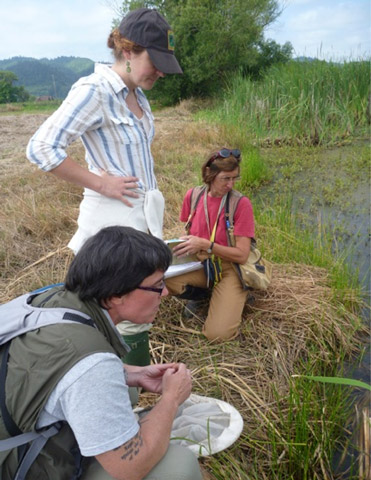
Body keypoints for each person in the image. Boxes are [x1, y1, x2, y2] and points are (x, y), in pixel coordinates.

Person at [26, 8, 183, 365]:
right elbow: (40, 148)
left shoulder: (137, 94)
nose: (159, 71)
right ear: (128, 51)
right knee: (118, 303)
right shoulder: (94, 90)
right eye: (153, 61)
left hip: (140, 216)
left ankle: (132, 379)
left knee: (138, 302)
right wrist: (102, 183)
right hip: (113, 218)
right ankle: (118, 383)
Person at [0, 226, 202, 480]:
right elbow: (131, 468)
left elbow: (56, 371)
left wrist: (135, 374)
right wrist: (171, 399)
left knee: (123, 389)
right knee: (177, 466)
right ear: (116, 293)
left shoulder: (50, 300)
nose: (166, 292)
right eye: (157, 285)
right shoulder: (92, 366)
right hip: (19, 466)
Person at [165, 148, 255, 342]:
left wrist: (207, 245)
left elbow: (242, 255)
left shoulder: (241, 204)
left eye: (235, 178)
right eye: (226, 179)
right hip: (199, 263)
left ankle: (236, 294)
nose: (231, 184)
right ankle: (202, 296)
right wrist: (182, 245)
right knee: (159, 277)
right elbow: (187, 230)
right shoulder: (193, 196)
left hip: (229, 267)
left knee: (217, 335)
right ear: (210, 175)